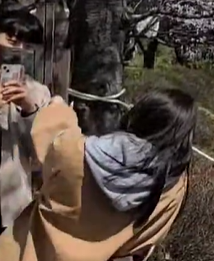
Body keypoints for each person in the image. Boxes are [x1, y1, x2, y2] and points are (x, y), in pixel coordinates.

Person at [0, 85, 196, 261]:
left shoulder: (77, 153)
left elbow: (54, 144)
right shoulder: (174, 190)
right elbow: (141, 243)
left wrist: (53, 107)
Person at [0, 9, 49, 233]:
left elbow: (43, 155)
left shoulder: (38, 93)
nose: (18, 49)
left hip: (10, 205)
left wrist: (30, 109)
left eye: (27, 45)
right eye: (12, 39)